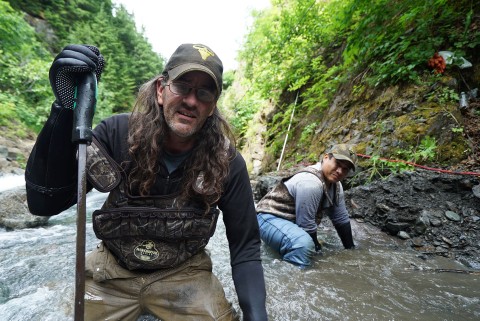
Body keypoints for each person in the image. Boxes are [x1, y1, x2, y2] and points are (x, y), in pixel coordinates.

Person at [25, 43, 268, 321]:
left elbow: (245, 247)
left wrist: (257, 316)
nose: (191, 101)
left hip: (185, 276)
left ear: (212, 106)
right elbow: (44, 202)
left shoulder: (227, 163)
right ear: (161, 90)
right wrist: (64, 108)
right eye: (182, 86)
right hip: (112, 271)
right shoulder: (116, 135)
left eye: (204, 92)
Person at [256, 144, 357, 268]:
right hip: (267, 218)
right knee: (304, 245)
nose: (340, 171)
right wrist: (317, 254)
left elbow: (341, 219)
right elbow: (306, 226)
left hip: (289, 222)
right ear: (326, 158)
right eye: (338, 164)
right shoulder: (310, 183)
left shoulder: (336, 185)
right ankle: (295, 276)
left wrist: (351, 251)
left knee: (312, 245)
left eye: (345, 169)